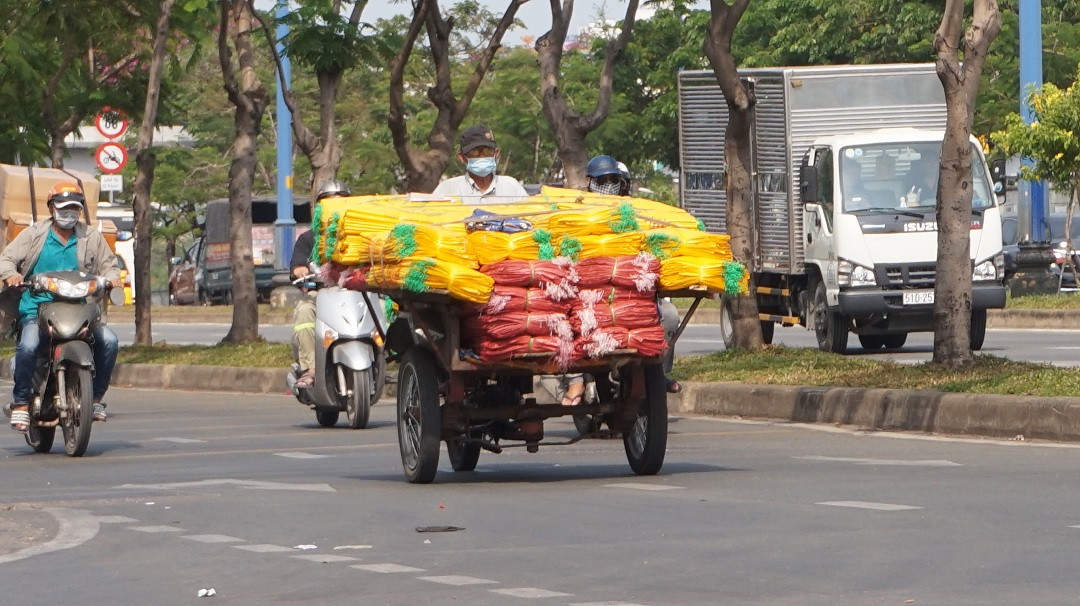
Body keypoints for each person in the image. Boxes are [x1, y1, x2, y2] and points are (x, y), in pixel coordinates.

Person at [1, 183, 121, 433]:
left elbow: (109, 264)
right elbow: (7, 258)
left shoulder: (91, 236)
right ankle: (21, 403)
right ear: (51, 208)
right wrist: (11, 275)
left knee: (109, 341)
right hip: (37, 308)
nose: (69, 213)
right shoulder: (34, 235)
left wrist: (112, 278)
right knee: (29, 345)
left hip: (82, 309)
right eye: (64, 208)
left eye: (74, 208)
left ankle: (96, 399)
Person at [290, 179, 350, 389]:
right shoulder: (309, 239)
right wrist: (300, 269)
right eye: (329, 204)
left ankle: (376, 362)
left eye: (341, 203)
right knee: (305, 311)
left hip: (354, 296)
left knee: (383, 307)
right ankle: (311, 368)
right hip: (322, 295)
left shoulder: (357, 236)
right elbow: (297, 263)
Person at [432, 124, 529, 204]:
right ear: (462, 157)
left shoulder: (512, 187)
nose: (482, 157)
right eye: (475, 152)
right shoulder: (446, 189)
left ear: (496, 154)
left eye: (487, 152)